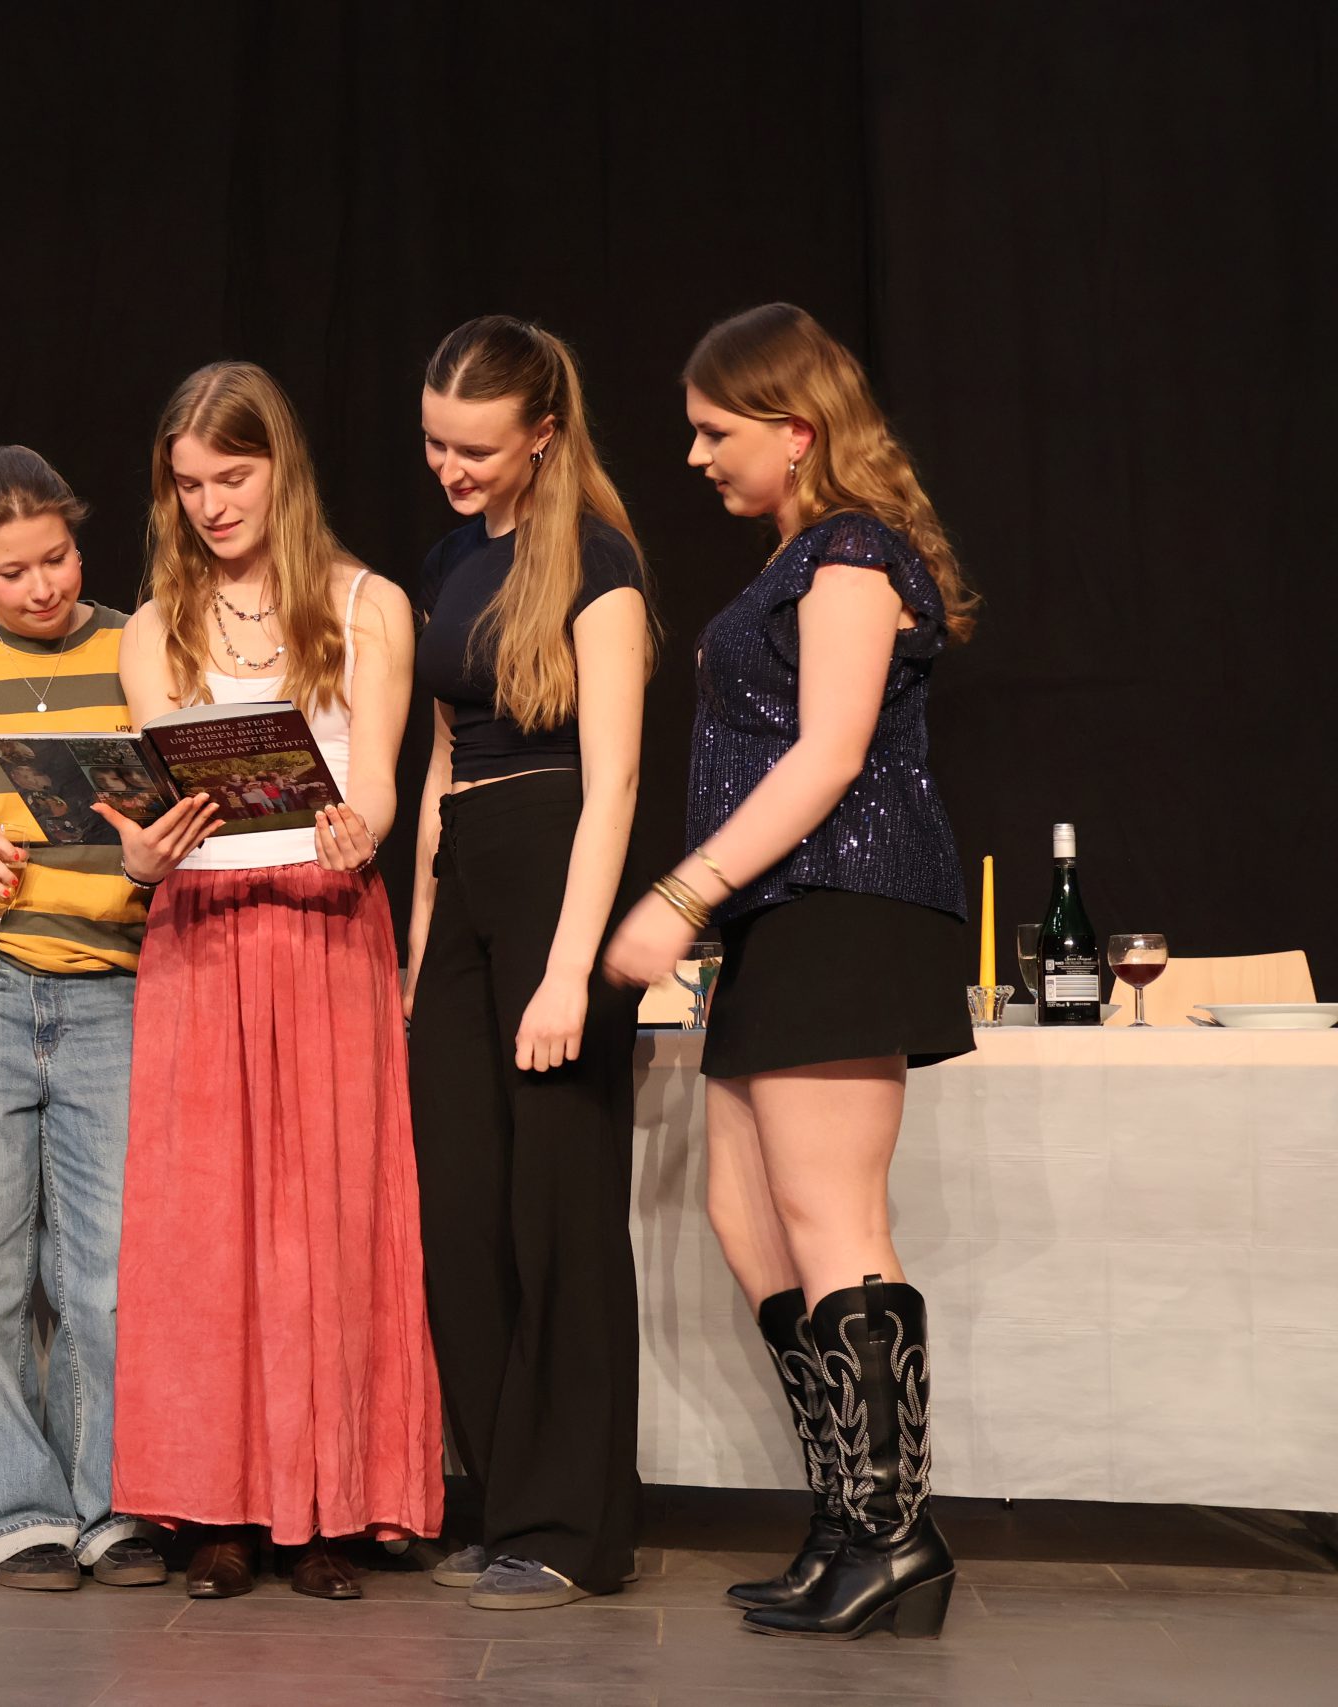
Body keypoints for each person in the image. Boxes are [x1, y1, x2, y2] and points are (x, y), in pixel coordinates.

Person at [603, 302, 978, 1641]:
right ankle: (848, 1518)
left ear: (796, 428)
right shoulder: (800, 555)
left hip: (848, 903)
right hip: (783, 914)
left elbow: (828, 755)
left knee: (828, 1214)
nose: (696, 454)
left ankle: (894, 1537)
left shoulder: (853, 552)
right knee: (744, 1215)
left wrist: (679, 894)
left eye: (716, 429)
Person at [110, 360, 440, 1601]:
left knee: (328, 1221)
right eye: (189, 485)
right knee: (206, 1233)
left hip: (323, 930)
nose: (211, 505)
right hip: (201, 937)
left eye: (232, 477)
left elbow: (381, 785)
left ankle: (330, 1507)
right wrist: (142, 855)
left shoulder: (368, 606)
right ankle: (219, 1510)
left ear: (279, 468)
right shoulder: (155, 626)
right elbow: (157, 808)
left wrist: (359, 830)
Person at [0, 446, 216, 1592]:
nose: (42, 587)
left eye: (57, 559)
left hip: (111, 978)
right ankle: (13, 1512)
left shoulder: (137, 646)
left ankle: (110, 1502)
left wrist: (156, 849)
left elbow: (196, 799)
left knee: (109, 1272)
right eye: (12, 571)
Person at [404, 316, 656, 1611]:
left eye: (476, 448)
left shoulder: (598, 562)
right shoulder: (450, 558)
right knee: (460, 1207)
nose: (449, 467)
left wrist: (570, 971)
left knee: (559, 1210)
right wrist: (418, 949)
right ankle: (502, 1497)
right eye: (435, 442)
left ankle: (572, 1526)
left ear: (543, 434)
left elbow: (614, 783)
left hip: (560, 871)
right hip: (466, 882)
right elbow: (441, 762)